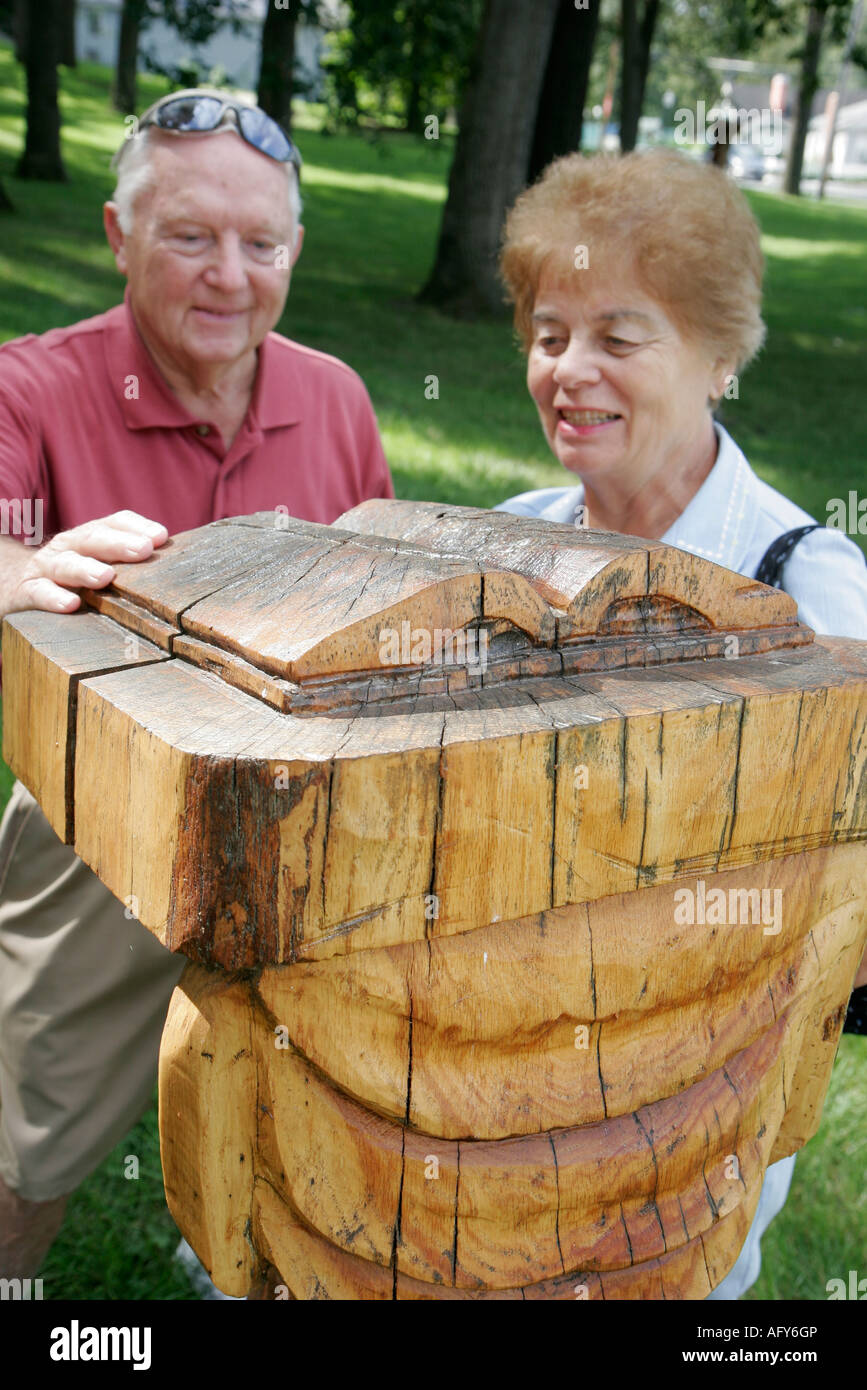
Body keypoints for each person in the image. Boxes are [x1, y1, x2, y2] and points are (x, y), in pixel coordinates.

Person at [0, 89, 393, 1282]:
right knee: (24, 1141)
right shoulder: (33, 386)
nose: (230, 275)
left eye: (260, 243)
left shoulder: (334, 395)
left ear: (294, 252)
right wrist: (21, 567)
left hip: (316, 829)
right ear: (120, 236)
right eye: (189, 237)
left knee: (324, 1135)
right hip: (97, 834)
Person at [495, 147, 867, 1299]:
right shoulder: (507, 537)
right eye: (549, 332)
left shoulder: (809, 586)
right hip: (498, 1061)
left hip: (690, 1099)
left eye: (619, 334)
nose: (570, 368)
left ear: (718, 358)